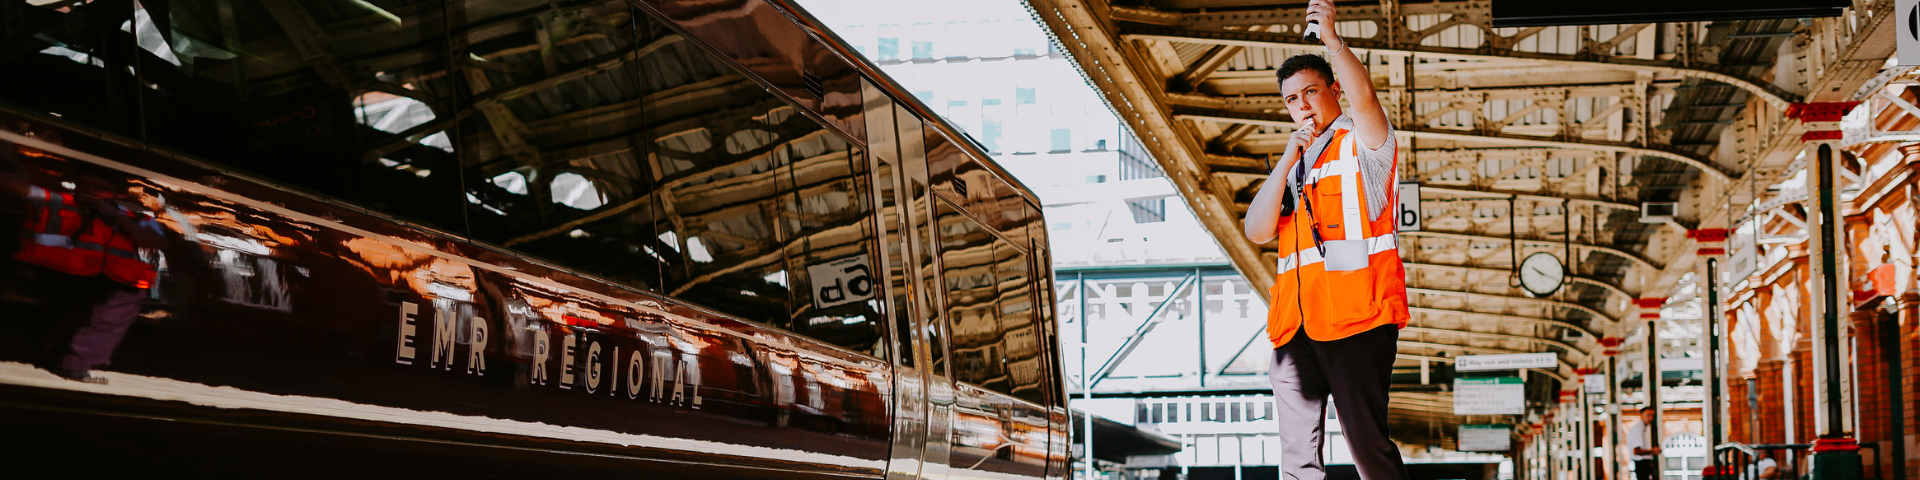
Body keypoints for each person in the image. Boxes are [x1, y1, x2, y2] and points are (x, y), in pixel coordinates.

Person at [1239, 1, 1410, 480]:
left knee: (1367, 447)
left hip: (1357, 320)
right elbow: (1257, 230)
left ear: (1333, 89)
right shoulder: (1292, 163)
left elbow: (1368, 101)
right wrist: (1287, 158)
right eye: (1292, 99)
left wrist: (1333, 42)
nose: (1302, 106)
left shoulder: (1365, 145)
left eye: (1311, 92)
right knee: (1296, 458)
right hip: (1295, 327)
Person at [15, 167, 164, 384]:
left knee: (108, 314)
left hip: (112, 279)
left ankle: (70, 365)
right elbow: (24, 189)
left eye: (100, 188)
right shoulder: (62, 201)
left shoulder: (136, 217)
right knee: (64, 315)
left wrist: (114, 213)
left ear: (117, 194)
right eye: (86, 185)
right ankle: (57, 361)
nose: (92, 191)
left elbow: (152, 239)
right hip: (66, 274)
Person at [1627, 406, 1663, 480]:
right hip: (1641, 464)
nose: (1651, 418)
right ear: (1641, 415)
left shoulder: (1642, 429)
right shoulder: (1638, 429)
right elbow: (1636, 451)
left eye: (1652, 416)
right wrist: (1653, 451)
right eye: (1648, 415)